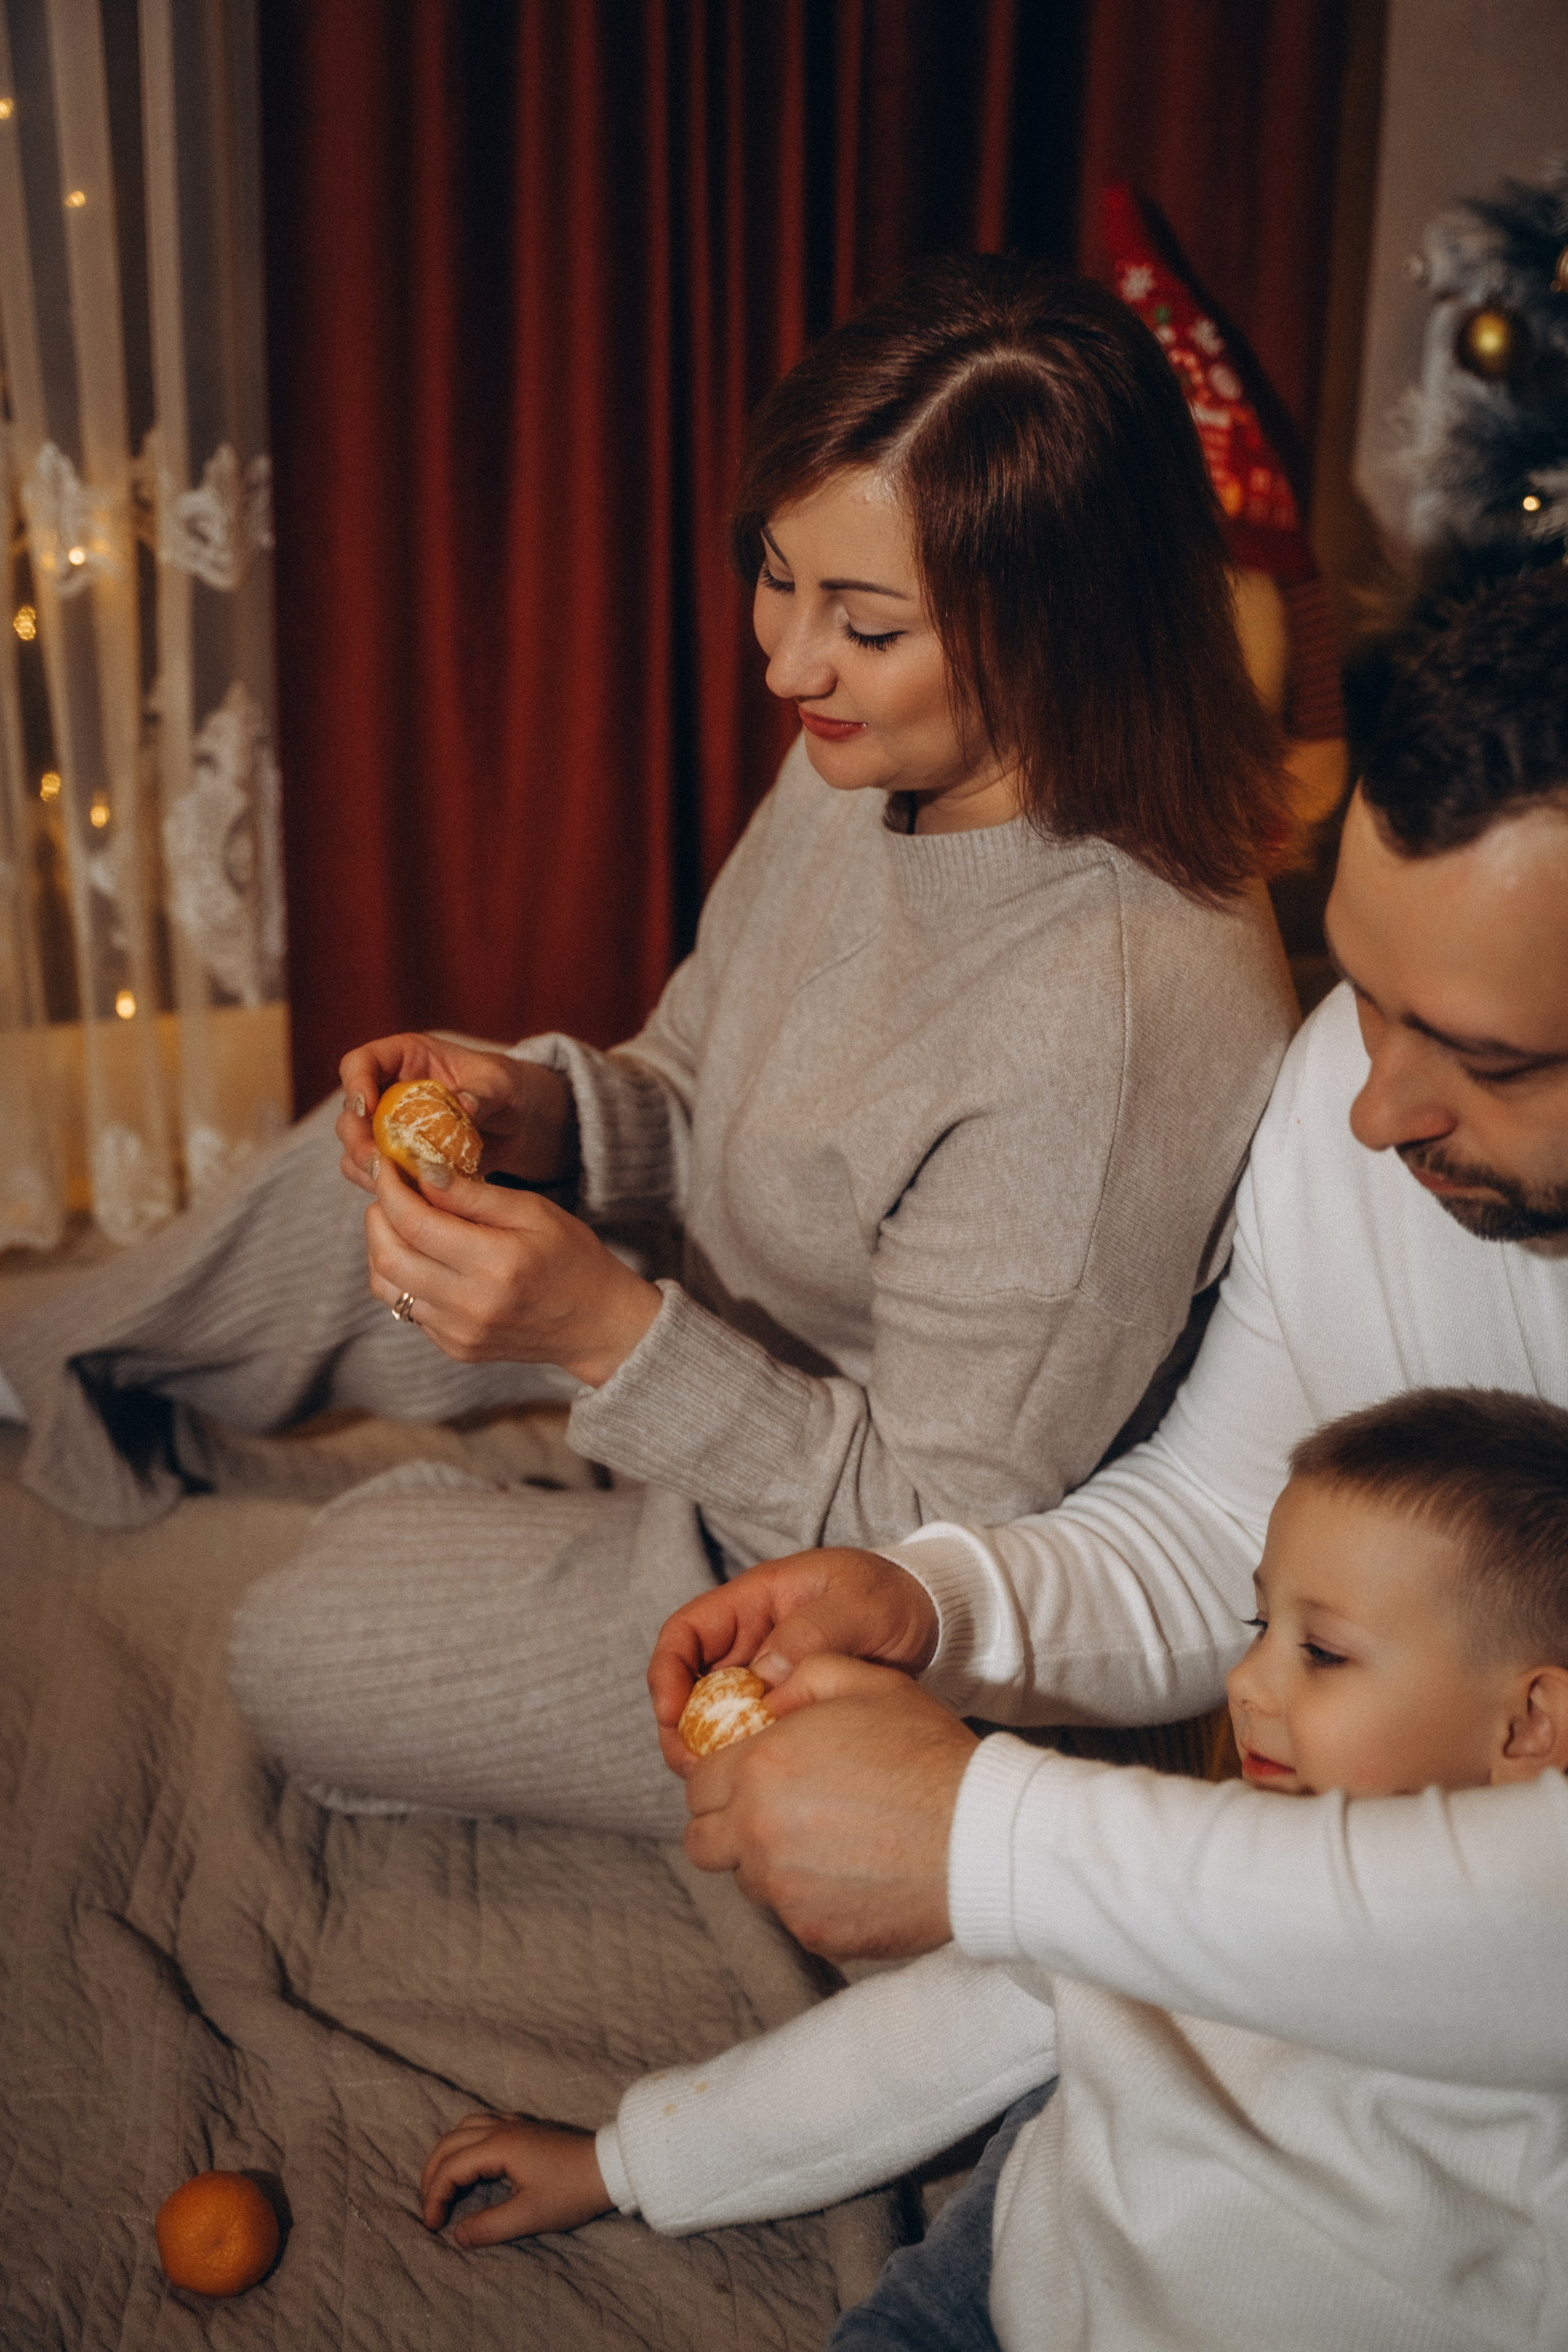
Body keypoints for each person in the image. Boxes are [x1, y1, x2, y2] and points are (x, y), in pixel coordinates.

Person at [0, 256, 1294, 1833]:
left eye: (862, 623)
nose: (786, 662)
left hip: (823, 1587)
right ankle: (48, 1384)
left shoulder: (1113, 1016)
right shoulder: (880, 753)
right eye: (776, 577)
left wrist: (610, 1337)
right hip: (716, 1320)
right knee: (336, 1191)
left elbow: (931, 1548)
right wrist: (537, 1108)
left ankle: (501, 1491)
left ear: (1061, 630)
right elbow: (691, 1070)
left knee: (293, 1647)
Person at [647, 566, 1568, 1952]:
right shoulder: (1349, 1102)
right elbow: (1218, 1525)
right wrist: (934, 1603)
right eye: (1366, 1002)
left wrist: (1001, 1843)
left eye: (1485, 1059)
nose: (1374, 1116)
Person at [418, 1388, 1568, 2352]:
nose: (1248, 1686)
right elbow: (930, 2037)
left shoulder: (1529, 2033)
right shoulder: (1162, 1859)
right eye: (1256, 1626)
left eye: (1321, 1651)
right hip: (997, 2289)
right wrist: (626, 2159)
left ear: (1533, 1724)